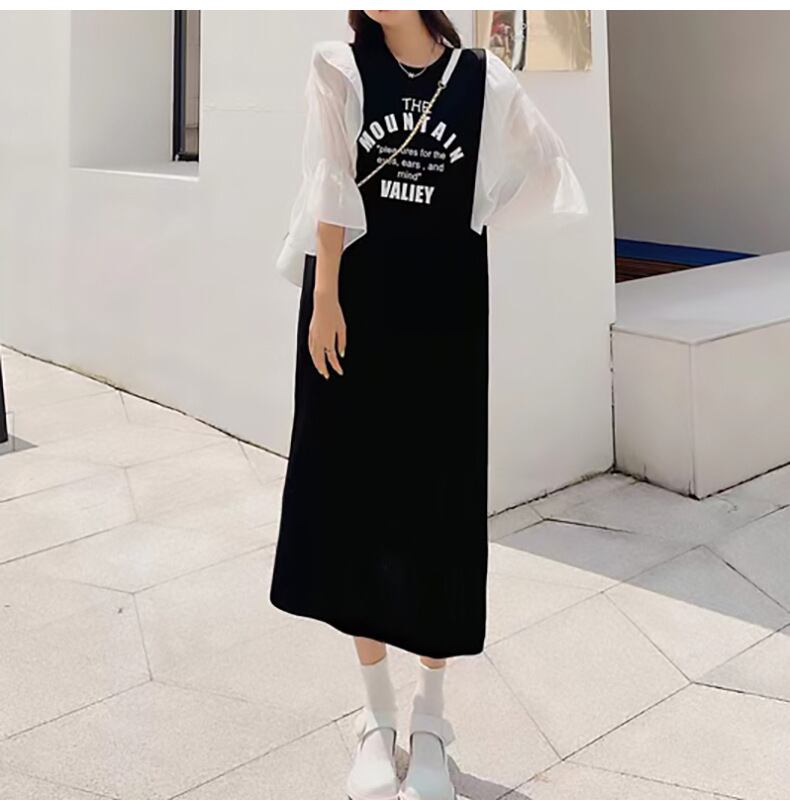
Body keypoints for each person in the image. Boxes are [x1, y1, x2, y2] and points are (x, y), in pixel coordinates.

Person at [269, 10, 588, 800]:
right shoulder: (339, 66)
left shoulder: (485, 80)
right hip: (354, 310)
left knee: (436, 510)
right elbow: (330, 179)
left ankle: (431, 719)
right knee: (356, 506)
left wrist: (471, 218)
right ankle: (376, 717)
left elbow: (543, 166)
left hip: (443, 317)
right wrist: (325, 298)